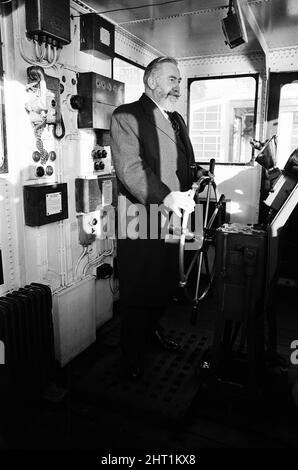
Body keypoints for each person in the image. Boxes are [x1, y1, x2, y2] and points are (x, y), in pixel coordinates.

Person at [110, 56, 205, 379]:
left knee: (163, 281)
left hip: (173, 217)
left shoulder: (177, 120)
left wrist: (197, 178)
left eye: (179, 80)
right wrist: (166, 196)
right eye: (171, 79)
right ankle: (130, 356)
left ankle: (153, 332)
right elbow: (130, 169)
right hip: (141, 217)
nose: (177, 86)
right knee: (138, 289)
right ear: (151, 81)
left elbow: (183, 163)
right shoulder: (127, 116)